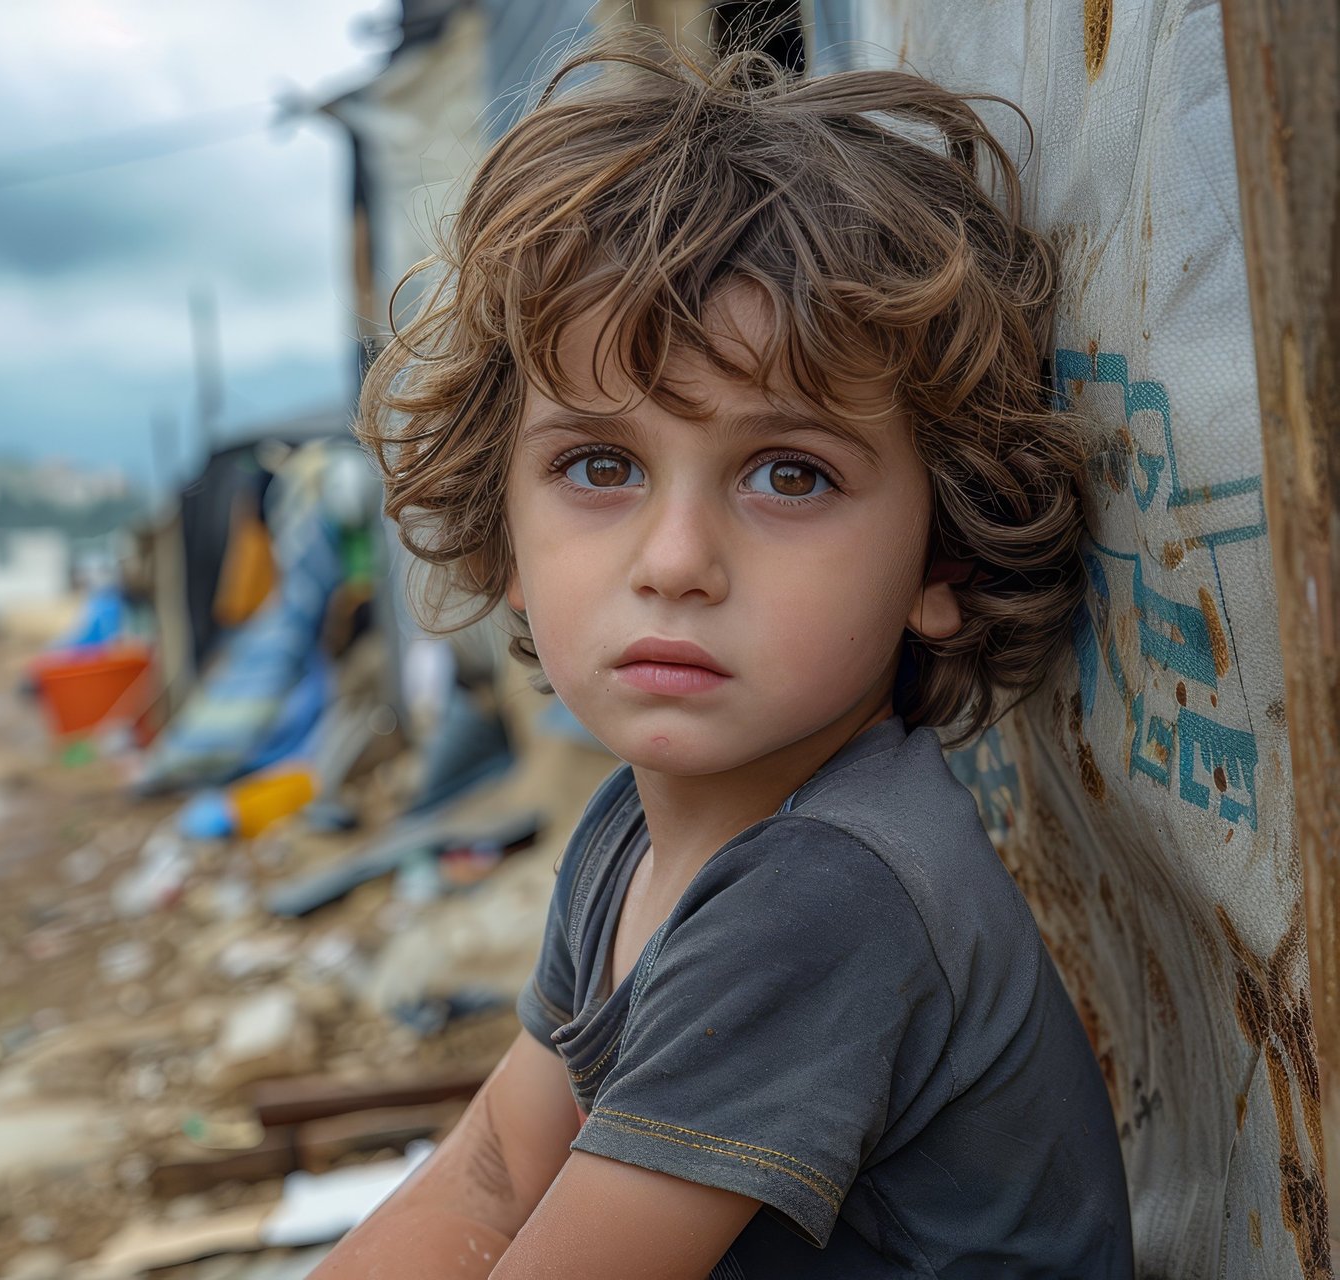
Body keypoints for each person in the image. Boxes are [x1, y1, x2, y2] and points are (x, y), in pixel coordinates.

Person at [312, 28, 1134, 1280]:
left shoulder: (825, 894)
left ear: (942, 560)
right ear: (504, 529)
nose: (677, 557)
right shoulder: (628, 837)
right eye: (601, 465)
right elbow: (493, 1174)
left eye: (789, 474)